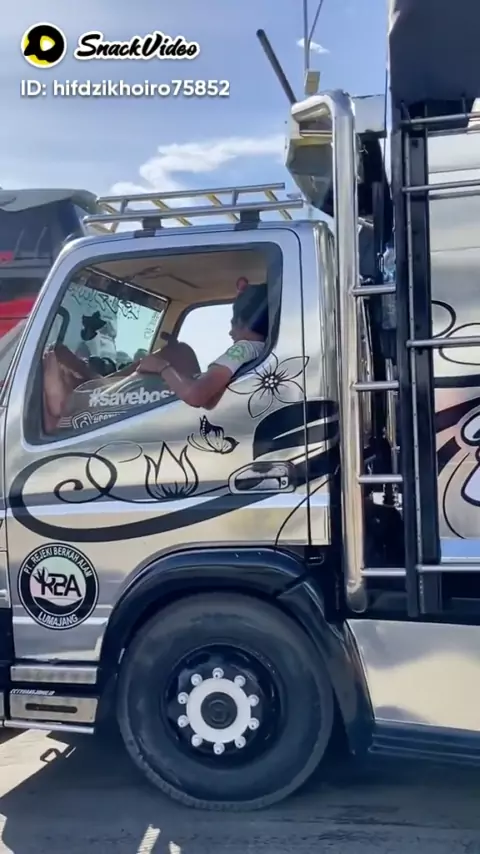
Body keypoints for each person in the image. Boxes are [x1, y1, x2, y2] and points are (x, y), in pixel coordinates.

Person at [42, 279, 268, 433]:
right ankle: (91, 381)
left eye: (233, 324)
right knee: (179, 351)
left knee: (56, 392)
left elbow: (196, 396)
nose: (230, 332)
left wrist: (163, 367)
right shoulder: (260, 351)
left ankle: (71, 396)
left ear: (243, 321)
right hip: (169, 392)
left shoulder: (243, 349)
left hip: (164, 399)